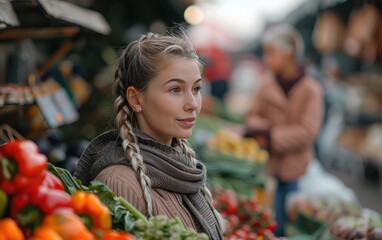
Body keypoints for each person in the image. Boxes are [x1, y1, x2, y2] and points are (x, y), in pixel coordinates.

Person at [74, 31, 224, 240]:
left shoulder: (184, 170)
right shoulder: (118, 185)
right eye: (175, 89)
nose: (193, 104)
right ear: (136, 99)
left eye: (196, 88)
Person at [244, 24, 323, 236]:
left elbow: (308, 132)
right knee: (268, 223)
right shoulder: (265, 84)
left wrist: (269, 135)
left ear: (289, 54)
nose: (266, 58)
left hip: (297, 170)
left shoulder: (311, 90)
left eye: (270, 52)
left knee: (292, 226)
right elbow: (251, 116)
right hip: (266, 167)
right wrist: (268, 129)